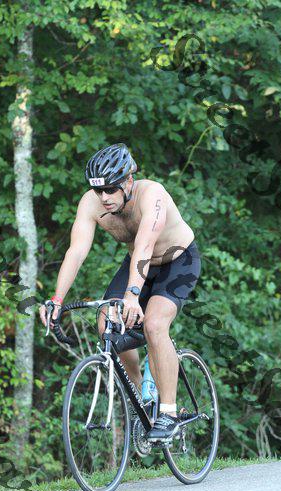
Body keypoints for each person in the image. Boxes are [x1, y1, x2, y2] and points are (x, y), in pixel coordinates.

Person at [40, 143, 201, 442]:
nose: (104, 197)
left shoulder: (152, 195)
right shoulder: (91, 204)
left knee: (154, 324)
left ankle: (168, 413)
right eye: (98, 190)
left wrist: (132, 295)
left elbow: (145, 246)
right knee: (107, 325)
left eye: (111, 189)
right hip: (138, 263)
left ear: (128, 180)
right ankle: (142, 400)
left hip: (177, 261)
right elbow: (76, 252)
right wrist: (57, 300)